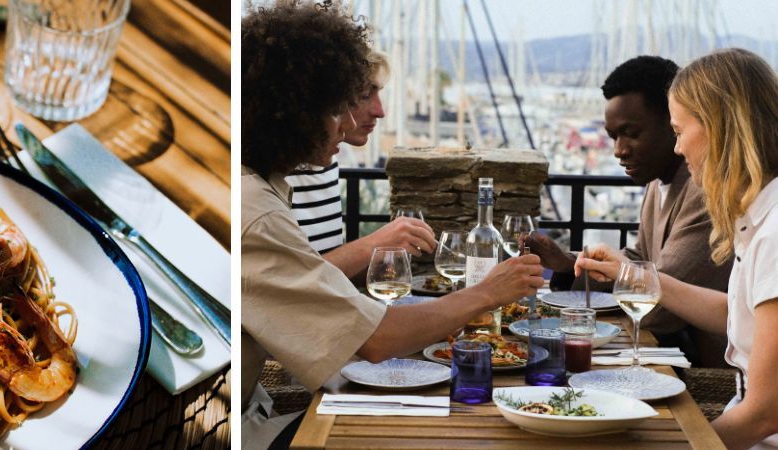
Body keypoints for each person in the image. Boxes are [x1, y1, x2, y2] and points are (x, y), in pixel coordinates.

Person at [241, 2, 545, 448]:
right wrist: (488, 292)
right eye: (338, 107)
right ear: (292, 112)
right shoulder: (258, 212)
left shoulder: (263, 184)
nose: (348, 122)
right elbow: (377, 341)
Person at [577, 48, 778, 449]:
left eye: (680, 131)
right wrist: (629, 274)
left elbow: (765, 414)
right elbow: (736, 312)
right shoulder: (758, 217)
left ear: (721, 128)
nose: (677, 149)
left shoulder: (774, 233)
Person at [525, 56, 732, 368]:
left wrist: (617, 273)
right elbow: (640, 263)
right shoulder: (658, 179)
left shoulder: (703, 191)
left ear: (672, 122)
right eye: (613, 136)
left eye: (631, 133)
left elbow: (658, 308)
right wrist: (568, 263)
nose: (618, 150)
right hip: (661, 348)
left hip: (702, 367)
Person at [285, 51, 435, 278]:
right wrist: (378, 242)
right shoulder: (273, 175)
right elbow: (293, 283)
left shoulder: (325, 161)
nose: (380, 111)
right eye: (364, 94)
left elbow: (324, 270)